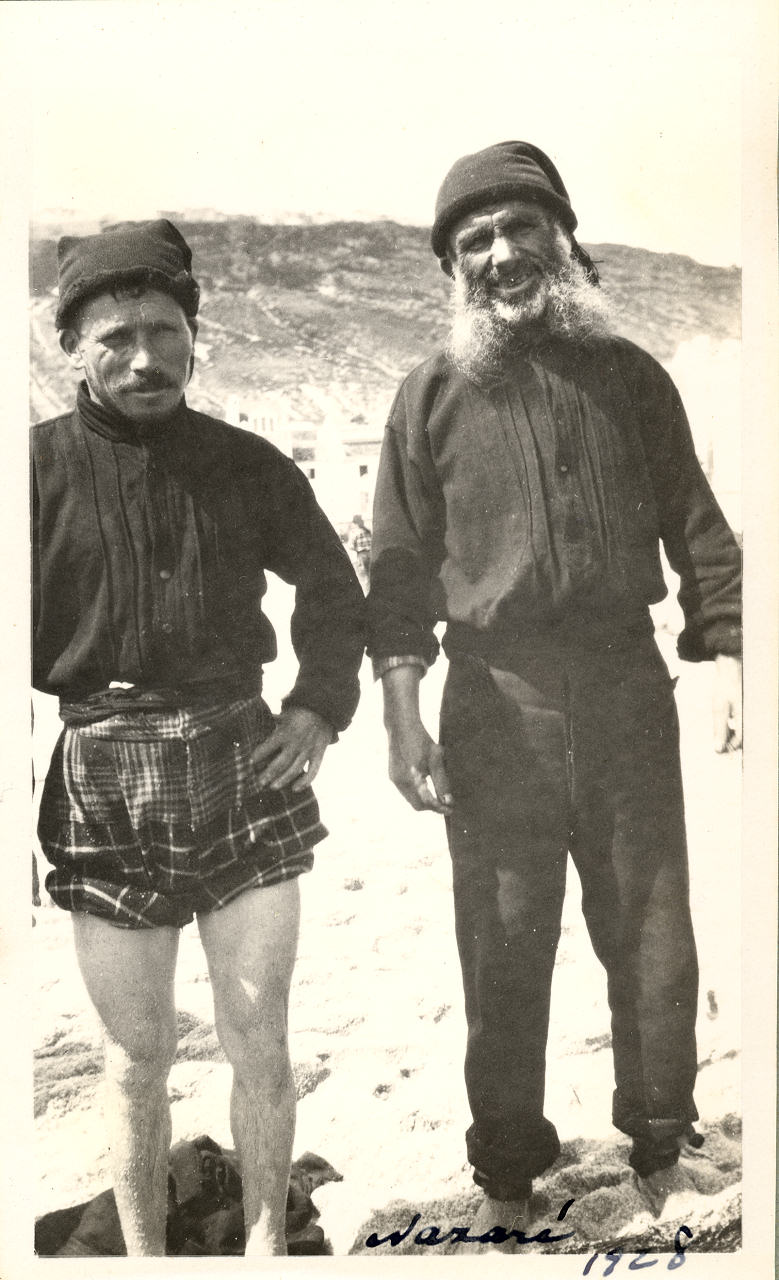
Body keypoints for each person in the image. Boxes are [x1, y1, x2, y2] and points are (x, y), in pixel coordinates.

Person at [367, 142, 742, 1239]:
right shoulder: (427, 397)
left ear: (562, 238)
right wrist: (400, 716)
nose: (500, 254)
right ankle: (504, 1172)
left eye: (520, 228)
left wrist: (734, 666)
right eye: (474, 240)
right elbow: (395, 574)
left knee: (652, 930)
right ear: (452, 267)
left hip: (627, 686)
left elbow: (700, 533)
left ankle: (662, 1144)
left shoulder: (632, 377)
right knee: (500, 941)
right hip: (494, 701)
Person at [32, 219, 365, 1256]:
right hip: (101, 772)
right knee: (135, 1057)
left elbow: (334, 587)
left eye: (166, 333)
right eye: (116, 337)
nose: (145, 359)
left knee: (258, 1035)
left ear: (193, 338)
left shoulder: (245, 463)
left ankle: (265, 1248)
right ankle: (145, 1261)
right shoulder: (30, 471)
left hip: (240, 758)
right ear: (70, 346)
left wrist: (316, 706)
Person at [348, 513, 372, 585]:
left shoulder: (354, 532)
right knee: (371, 573)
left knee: (365, 576)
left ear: (355, 523)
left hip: (362, 555)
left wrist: (358, 548)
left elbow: (351, 546)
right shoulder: (368, 531)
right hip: (370, 553)